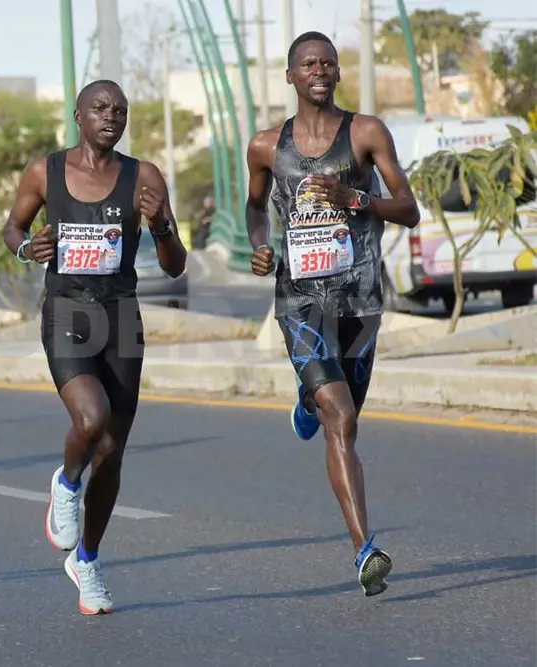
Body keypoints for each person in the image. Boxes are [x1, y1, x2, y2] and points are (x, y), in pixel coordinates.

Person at [245, 31, 420, 597]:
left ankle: (306, 400)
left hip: (360, 299)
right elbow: (254, 207)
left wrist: (357, 200)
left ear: (339, 73)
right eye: (307, 64)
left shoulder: (366, 133)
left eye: (328, 63)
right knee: (340, 419)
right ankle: (365, 549)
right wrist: (260, 245)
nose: (319, 70)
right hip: (300, 302)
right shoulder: (265, 146)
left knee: (346, 411)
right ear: (290, 76)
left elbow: (409, 209)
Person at [2, 79, 186, 615]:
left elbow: (175, 265)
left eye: (120, 110)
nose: (111, 117)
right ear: (78, 116)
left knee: (112, 448)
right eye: (100, 108)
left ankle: (87, 559)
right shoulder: (45, 172)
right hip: (67, 310)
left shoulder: (143, 176)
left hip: (121, 315)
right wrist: (28, 249)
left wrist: (161, 224)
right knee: (91, 418)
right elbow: (13, 228)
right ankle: (66, 483)